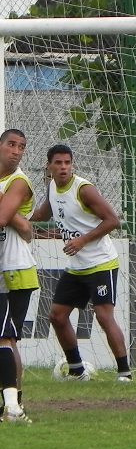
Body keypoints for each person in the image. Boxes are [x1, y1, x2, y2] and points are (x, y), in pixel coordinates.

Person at [31, 144, 132, 382]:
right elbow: (42, 215)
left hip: (101, 263)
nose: (64, 167)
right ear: (49, 167)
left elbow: (113, 221)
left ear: (72, 164)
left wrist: (82, 240)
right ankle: (77, 371)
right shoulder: (52, 187)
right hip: (77, 266)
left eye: (67, 162)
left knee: (104, 316)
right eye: (58, 163)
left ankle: (124, 373)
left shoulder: (84, 189)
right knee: (57, 315)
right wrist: (18, 216)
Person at [0, 128, 40, 418]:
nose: (16, 151)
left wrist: (21, 223)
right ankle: (12, 403)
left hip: (16, 268)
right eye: (11, 145)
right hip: (4, 266)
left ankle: (14, 403)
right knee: (5, 337)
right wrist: (24, 225)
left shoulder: (19, 181)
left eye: (21, 147)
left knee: (8, 338)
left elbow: (2, 218)